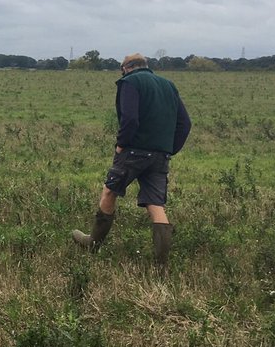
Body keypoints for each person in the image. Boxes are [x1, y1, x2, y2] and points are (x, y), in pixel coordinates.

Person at [72, 53, 192, 266]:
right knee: (156, 204)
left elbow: (129, 119)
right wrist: (169, 149)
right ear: (146, 66)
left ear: (126, 68)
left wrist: (121, 144)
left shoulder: (129, 82)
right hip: (160, 155)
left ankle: (93, 243)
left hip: (133, 152)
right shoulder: (168, 85)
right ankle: (161, 266)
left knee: (109, 191)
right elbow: (185, 124)